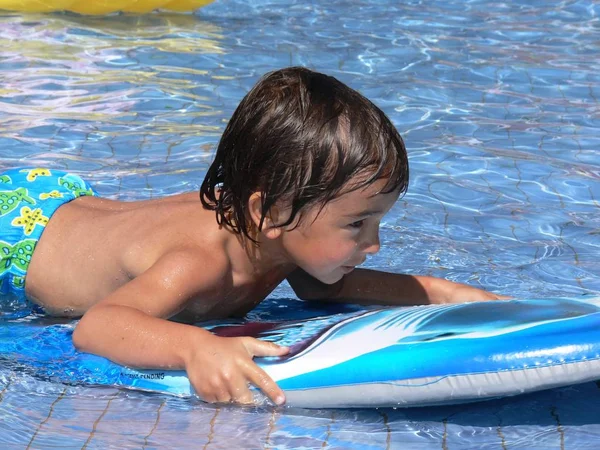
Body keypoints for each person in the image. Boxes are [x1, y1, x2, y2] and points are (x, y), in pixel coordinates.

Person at [0, 67, 505, 406]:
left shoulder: (284, 237)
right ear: (271, 212)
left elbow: (324, 287)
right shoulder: (200, 262)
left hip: (68, 206)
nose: (373, 244)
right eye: (356, 224)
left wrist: (441, 294)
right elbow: (99, 325)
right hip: (20, 235)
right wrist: (194, 347)